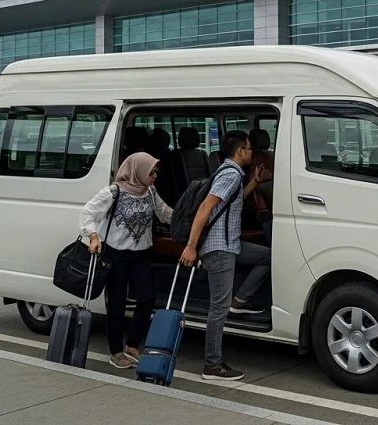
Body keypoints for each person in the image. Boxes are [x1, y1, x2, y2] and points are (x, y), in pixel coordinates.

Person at [179, 130, 271, 381]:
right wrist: (191, 245)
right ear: (240, 151)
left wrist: (254, 182)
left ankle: (240, 300)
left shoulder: (232, 173)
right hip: (219, 248)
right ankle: (212, 365)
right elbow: (206, 207)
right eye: (250, 149)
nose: (253, 152)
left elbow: (230, 202)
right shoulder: (230, 173)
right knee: (218, 308)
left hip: (231, 245)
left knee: (268, 257)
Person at [80, 152, 173, 369]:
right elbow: (88, 212)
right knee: (117, 304)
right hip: (116, 255)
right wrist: (93, 236)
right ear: (137, 170)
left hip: (141, 254)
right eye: (152, 171)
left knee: (147, 298)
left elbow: (164, 212)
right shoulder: (114, 192)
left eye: (156, 171)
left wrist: (191, 219)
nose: (155, 175)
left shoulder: (150, 192)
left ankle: (132, 345)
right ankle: (115, 350)